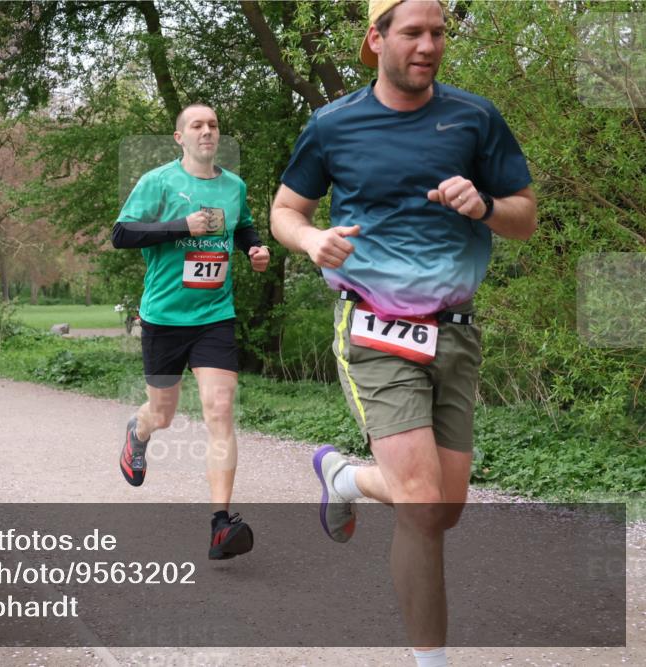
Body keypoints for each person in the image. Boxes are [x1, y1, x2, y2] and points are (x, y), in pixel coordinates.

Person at [269, 1, 537, 664]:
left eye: (438, 33)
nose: (427, 45)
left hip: (456, 333)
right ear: (376, 38)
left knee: (444, 509)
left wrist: (488, 205)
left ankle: (346, 478)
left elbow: (526, 216)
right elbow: (285, 208)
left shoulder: (476, 118)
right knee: (420, 504)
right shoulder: (333, 125)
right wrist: (311, 239)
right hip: (375, 328)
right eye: (412, 32)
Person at [112, 103, 271, 560]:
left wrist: (254, 248)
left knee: (220, 410)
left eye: (214, 125)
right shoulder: (158, 182)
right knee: (162, 413)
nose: (207, 131)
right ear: (180, 137)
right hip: (163, 317)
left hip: (214, 316)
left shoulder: (234, 187)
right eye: (197, 125)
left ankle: (221, 524)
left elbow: (243, 228)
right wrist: (181, 225)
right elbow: (122, 234)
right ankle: (138, 433)